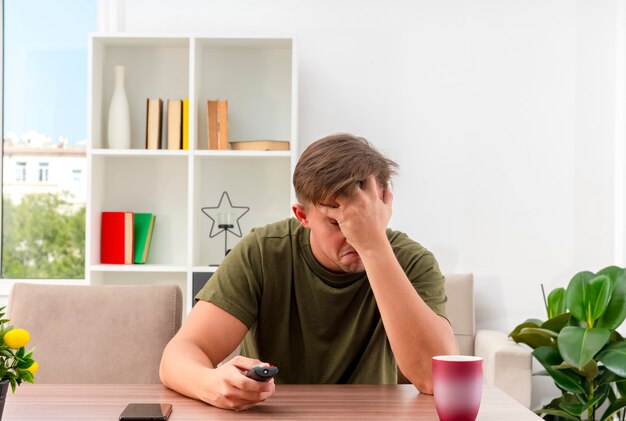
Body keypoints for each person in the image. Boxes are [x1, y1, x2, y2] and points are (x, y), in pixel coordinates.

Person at [159, 133, 458, 410]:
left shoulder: (413, 261)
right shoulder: (263, 252)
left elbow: (436, 378)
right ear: (303, 216)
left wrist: (374, 247)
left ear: (384, 207)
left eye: (364, 217)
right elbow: (179, 355)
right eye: (337, 222)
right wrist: (211, 383)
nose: (354, 234)